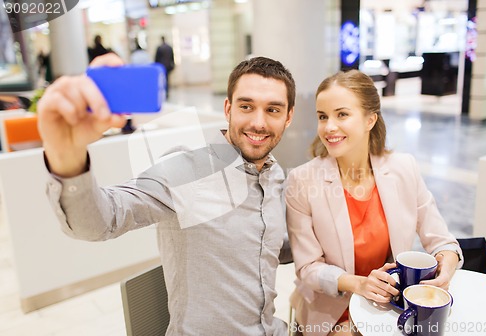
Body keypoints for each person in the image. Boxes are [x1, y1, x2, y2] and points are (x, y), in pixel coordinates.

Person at [37, 53, 295, 336]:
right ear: (228, 108)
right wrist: (67, 153)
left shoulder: (274, 173)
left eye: (273, 110)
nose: (259, 123)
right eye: (247, 106)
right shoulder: (188, 171)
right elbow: (100, 222)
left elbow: (270, 247)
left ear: (288, 117)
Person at [285, 70, 463, 336]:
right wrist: (359, 285)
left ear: (370, 119)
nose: (329, 127)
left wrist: (446, 266)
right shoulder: (302, 180)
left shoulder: (404, 168)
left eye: (342, 114)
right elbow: (308, 269)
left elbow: (442, 241)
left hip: (390, 312)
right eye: (323, 116)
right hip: (332, 312)